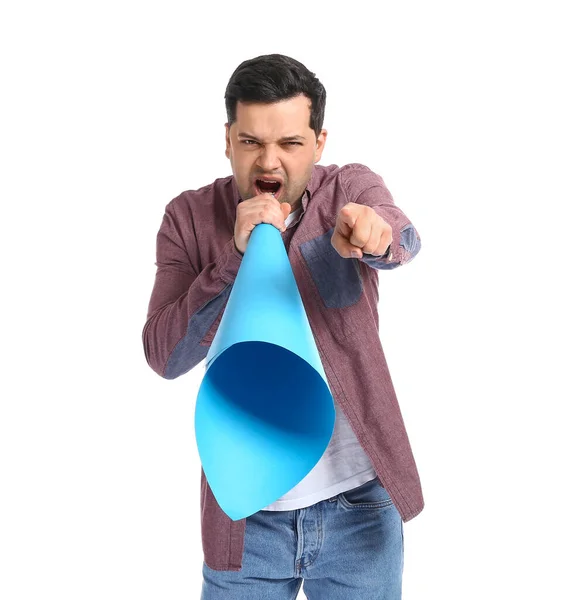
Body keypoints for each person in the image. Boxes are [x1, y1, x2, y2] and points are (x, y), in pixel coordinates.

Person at [142, 53, 424, 600]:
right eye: (251, 142)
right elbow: (162, 353)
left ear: (318, 143)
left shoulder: (349, 190)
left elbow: (402, 238)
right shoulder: (189, 218)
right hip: (246, 521)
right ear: (227, 139)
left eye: (291, 144)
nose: (269, 161)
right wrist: (231, 258)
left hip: (359, 510)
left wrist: (376, 236)